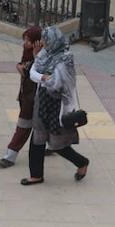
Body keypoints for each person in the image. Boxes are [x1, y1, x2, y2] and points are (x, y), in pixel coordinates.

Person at [21, 27, 89, 185]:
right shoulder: (45, 53)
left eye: (45, 40)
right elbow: (33, 73)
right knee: (37, 138)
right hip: (42, 101)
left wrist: (41, 77)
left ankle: (82, 162)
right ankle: (36, 175)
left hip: (58, 106)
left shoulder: (66, 60)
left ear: (53, 41)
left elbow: (56, 83)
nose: (43, 43)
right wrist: (43, 76)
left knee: (58, 144)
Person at [0, 26, 43, 169]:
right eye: (25, 40)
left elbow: (40, 72)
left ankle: (10, 155)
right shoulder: (28, 52)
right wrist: (20, 66)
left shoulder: (43, 55)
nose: (25, 43)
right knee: (38, 124)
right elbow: (25, 67)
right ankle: (50, 145)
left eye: (28, 41)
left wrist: (36, 56)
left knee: (24, 125)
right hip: (26, 95)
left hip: (35, 98)